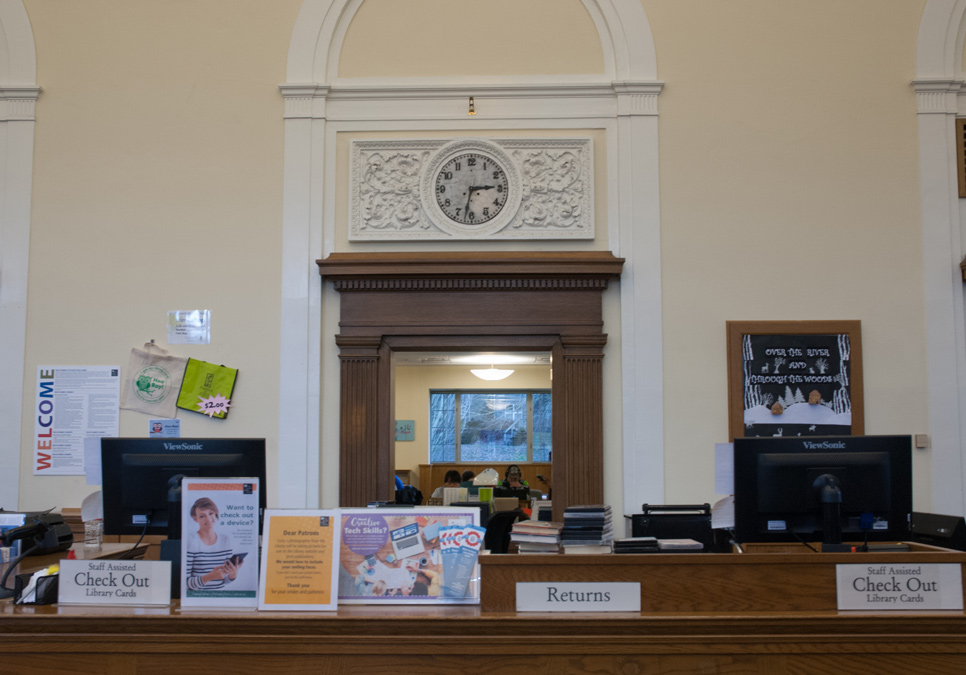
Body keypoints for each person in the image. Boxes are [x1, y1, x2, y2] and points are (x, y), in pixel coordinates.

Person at [185, 497, 241, 591]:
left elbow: (224, 580)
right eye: (202, 516)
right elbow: (185, 583)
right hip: (197, 599)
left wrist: (233, 574)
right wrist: (209, 577)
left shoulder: (225, 540)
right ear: (195, 519)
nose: (208, 519)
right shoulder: (191, 541)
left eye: (210, 513)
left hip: (220, 598)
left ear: (215, 513)